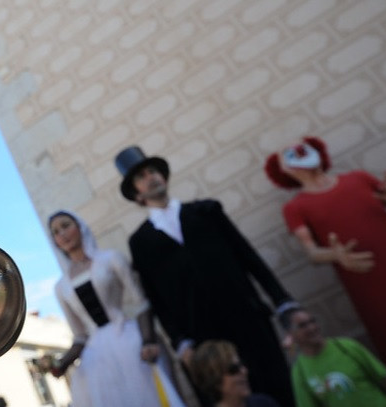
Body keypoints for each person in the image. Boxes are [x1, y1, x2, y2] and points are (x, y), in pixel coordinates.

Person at [114, 146, 296, 407]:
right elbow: (156, 299)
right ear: (136, 194)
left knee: (276, 392)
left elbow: (249, 258)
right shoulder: (141, 242)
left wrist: (283, 302)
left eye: (153, 171)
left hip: (247, 321)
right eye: (141, 177)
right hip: (202, 339)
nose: (150, 177)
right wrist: (180, 342)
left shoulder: (206, 211)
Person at [265, 136, 386, 397]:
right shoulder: (296, 207)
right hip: (371, 287)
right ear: (283, 170)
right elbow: (312, 253)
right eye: (288, 153)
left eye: (301, 147)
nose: (297, 151)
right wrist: (335, 254)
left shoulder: (359, 178)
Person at [47, 210, 188, 407]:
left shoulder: (110, 259)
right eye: (55, 232)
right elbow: (80, 335)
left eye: (65, 225)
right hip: (97, 357)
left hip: (130, 342)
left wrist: (147, 340)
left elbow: (141, 302)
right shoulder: (61, 287)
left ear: (80, 227)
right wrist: (62, 363)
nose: (62, 234)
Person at [281, 307, 386, 407]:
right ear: (291, 334)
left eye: (312, 321)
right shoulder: (299, 372)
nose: (312, 328)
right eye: (303, 326)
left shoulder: (347, 346)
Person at [189, 340, 279, 407]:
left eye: (242, 364)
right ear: (215, 381)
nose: (244, 371)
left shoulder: (264, 403)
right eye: (234, 369)